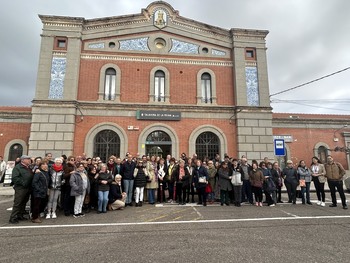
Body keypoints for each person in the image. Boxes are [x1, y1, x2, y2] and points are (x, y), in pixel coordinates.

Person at [9, 155, 34, 224]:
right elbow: (15, 178)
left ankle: (20, 215)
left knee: (24, 202)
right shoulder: (18, 168)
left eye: (29, 159)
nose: (29, 160)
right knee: (18, 203)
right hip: (20, 188)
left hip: (27, 188)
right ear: (23, 160)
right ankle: (13, 217)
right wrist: (23, 183)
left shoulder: (28, 167)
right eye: (27, 159)